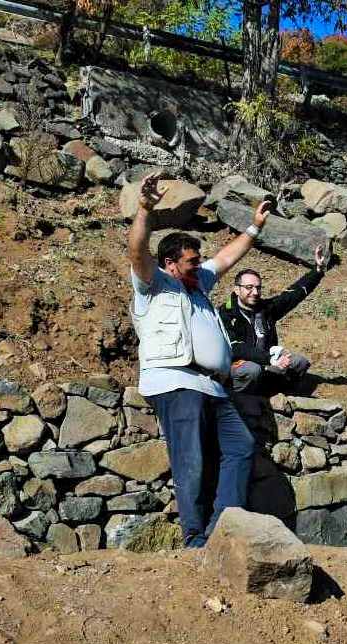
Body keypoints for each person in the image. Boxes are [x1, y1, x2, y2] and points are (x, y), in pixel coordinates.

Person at [127, 172, 257, 548]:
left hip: (211, 385)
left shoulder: (197, 282)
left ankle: (224, 525)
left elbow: (228, 257)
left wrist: (256, 225)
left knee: (242, 446)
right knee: (192, 461)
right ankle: (195, 537)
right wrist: (144, 210)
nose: (197, 266)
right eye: (189, 262)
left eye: (198, 260)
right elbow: (137, 251)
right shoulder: (153, 284)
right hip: (175, 381)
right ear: (169, 263)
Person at [218, 243, 328, 394]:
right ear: (237, 289)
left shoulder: (265, 309)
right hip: (238, 366)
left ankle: (279, 397)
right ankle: (239, 400)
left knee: (299, 363)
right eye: (249, 287)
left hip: (267, 362)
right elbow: (236, 348)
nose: (255, 292)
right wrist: (269, 358)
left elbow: (292, 294)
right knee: (252, 370)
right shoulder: (225, 314)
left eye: (258, 287)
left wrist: (317, 271)